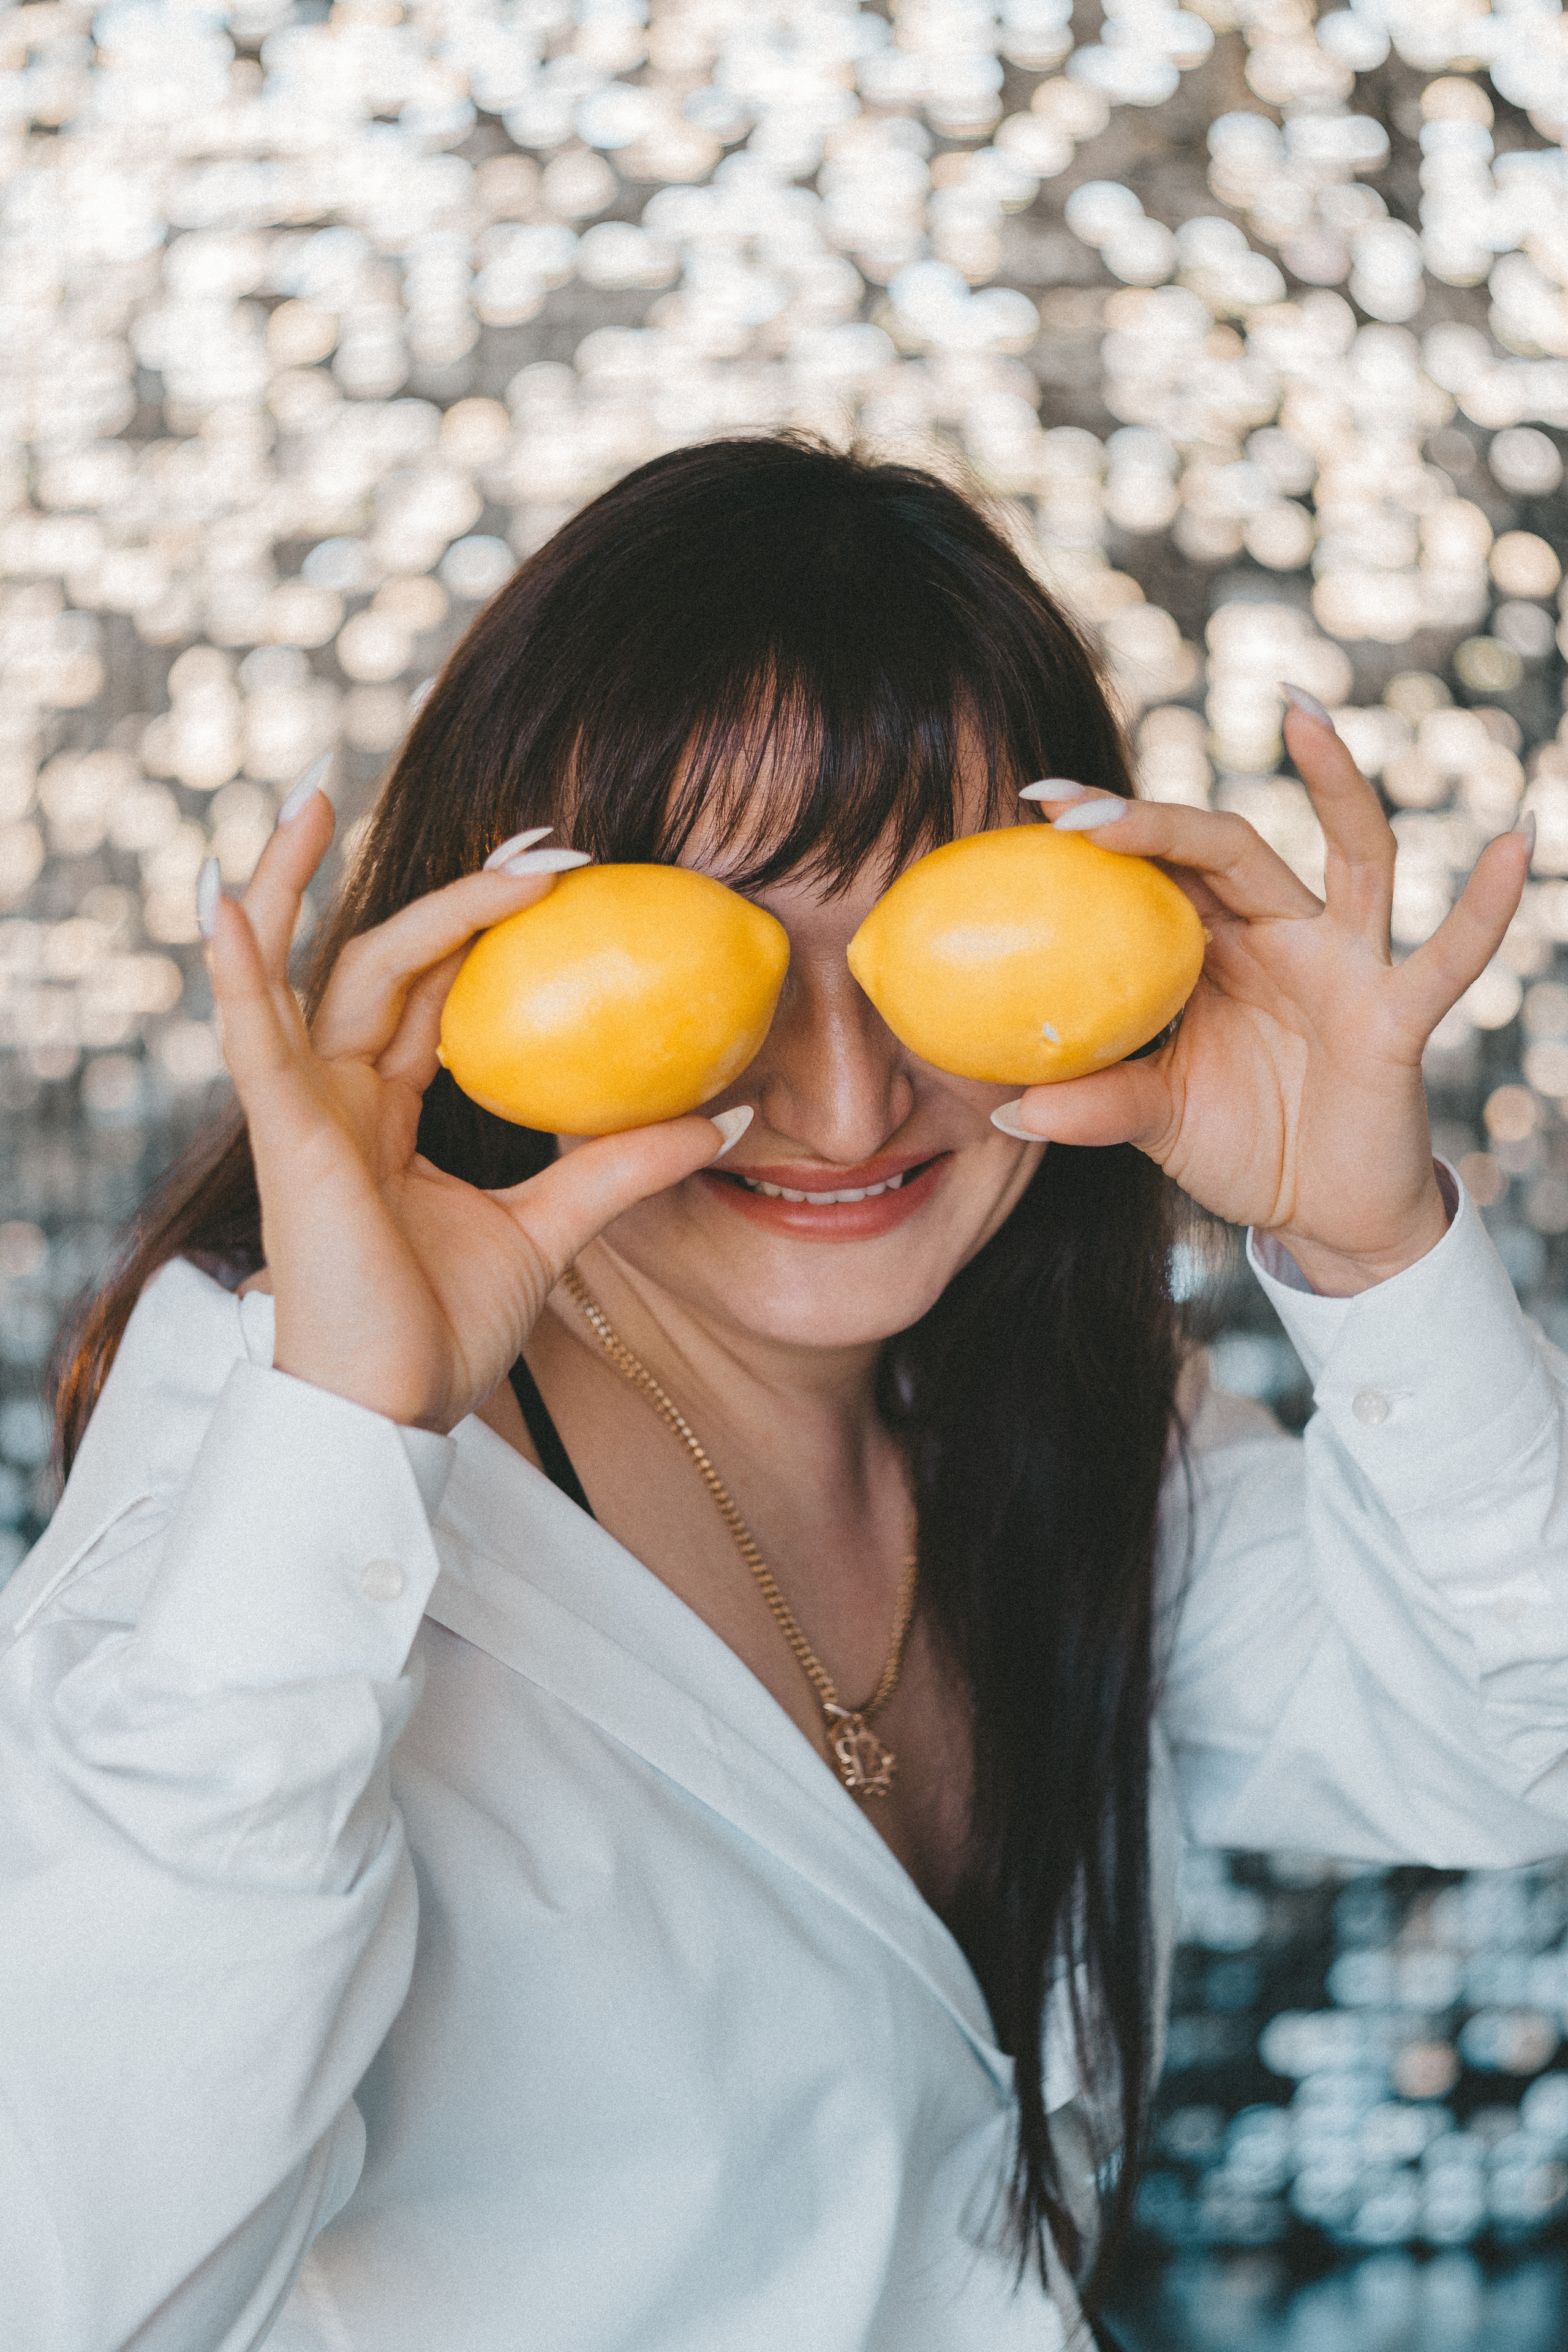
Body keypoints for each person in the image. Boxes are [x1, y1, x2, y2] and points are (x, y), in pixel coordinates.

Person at [3, 435, 1566, 2352]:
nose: (841, 1108)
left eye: (932, 957)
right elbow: (74, 2284)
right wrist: (344, 1426)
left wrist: (1383, 1247)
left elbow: (1526, 1744)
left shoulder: (1053, 1413)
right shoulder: (270, 1465)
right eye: (723, 966)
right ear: (504, 975)